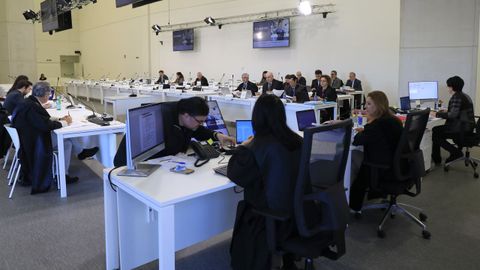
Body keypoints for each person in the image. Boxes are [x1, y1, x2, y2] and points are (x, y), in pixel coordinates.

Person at [227, 94, 305, 270]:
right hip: (301, 214)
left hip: (268, 218)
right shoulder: (298, 140)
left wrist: (243, 146)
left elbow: (234, 174)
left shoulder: (256, 147)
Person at [12, 82, 99, 193]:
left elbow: (40, 118)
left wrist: (59, 119)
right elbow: (44, 125)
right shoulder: (32, 106)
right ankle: (64, 173)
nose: (49, 97)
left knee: (67, 141)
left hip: (29, 139)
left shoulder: (30, 102)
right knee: (66, 142)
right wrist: (64, 123)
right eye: (48, 94)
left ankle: (78, 156)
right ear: (44, 95)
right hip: (36, 143)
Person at [114, 97, 235, 167]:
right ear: (186, 115)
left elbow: (197, 130)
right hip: (134, 164)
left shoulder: (186, 116)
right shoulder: (160, 119)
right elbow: (150, 152)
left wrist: (217, 135)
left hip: (165, 163)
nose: (201, 124)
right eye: (199, 121)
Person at [349, 91, 403, 212]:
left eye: (369, 104)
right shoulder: (394, 120)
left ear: (378, 106)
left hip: (382, 169)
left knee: (355, 163)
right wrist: (366, 129)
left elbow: (356, 140)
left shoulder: (376, 125)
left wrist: (367, 126)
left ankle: (353, 207)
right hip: (400, 167)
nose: (365, 107)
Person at [432, 76, 475, 165]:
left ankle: (454, 153)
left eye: (448, 86)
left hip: (460, 128)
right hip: (467, 127)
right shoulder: (465, 95)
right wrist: (447, 111)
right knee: (438, 131)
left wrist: (436, 114)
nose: (448, 88)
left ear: (452, 87)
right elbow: (458, 111)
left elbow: (453, 115)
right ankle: (440, 157)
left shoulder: (457, 97)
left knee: (435, 132)